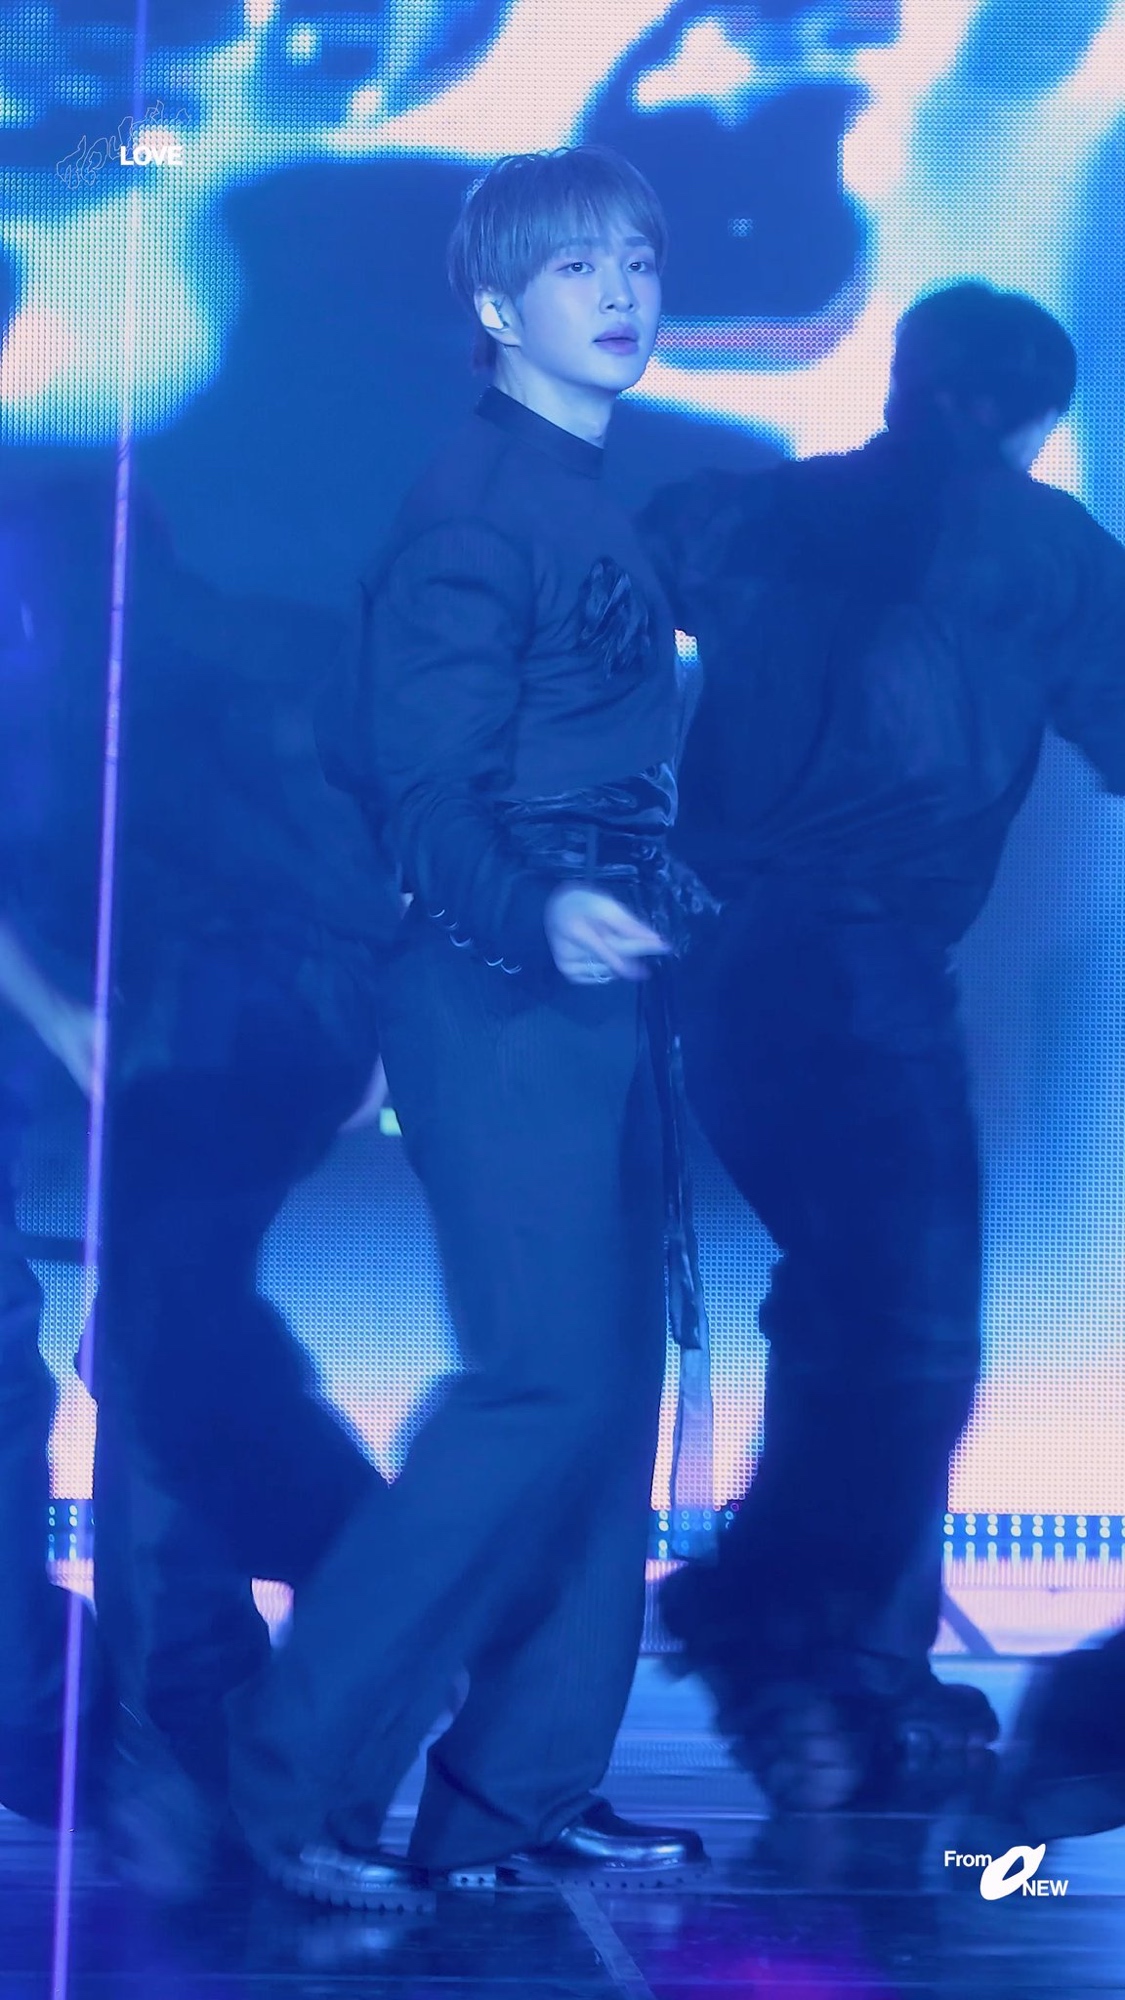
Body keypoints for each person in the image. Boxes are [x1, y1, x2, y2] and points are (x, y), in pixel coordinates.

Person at [225, 145, 706, 1906]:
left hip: (594, 989)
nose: (621, 291)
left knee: (604, 1395)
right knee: (538, 1386)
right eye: (577, 266)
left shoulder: (581, 495)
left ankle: (513, 1795)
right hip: (500, 994)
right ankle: (289, 1783)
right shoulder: (475, 510)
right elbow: (421, 792)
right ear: (497, 303)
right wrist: (539, 908)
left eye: (636, 257)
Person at [641, 282, 1125, 1811]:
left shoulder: (744, 516)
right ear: (1030, 421)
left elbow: (602, 608)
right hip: (852, 966)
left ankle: (839, 1667)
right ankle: (787, 1634)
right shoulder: (1034, 546)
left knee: (853, 1309)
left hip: (721, 967)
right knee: (907, 1333)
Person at [0, 471, 397, 1879]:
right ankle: (255, 1682)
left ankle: (268, 1671)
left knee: (165, 1352)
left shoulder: (100, 683)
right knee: (163, 1341)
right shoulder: (247, 650)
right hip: (255, 1034)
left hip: (212, 1036)